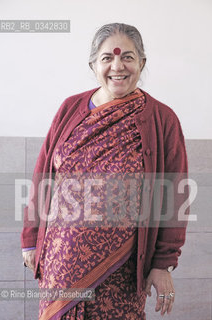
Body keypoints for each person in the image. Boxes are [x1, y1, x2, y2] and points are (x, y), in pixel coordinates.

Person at [21, 22, 189, 319]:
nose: (117, 66)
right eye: (107, 58)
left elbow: (174, 198)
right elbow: (43, 177)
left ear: (142, 63)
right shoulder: (70, 108)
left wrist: (163, 263)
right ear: (93, 64)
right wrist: (31, 239)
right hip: (61, 262)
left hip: (122, 270)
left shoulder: (162, 120)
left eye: (127, 57)